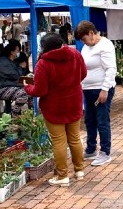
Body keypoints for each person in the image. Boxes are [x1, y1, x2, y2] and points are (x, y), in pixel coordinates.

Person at [24, 33, 87, 186]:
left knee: (59, 141)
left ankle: (62, 176)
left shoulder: (43, 63)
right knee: (74, 138)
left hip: (54, 106)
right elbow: (83, 74)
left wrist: (27, 87)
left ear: (44, 47)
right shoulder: (75, 54)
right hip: (73, 102)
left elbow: (40, 90)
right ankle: (79, 170)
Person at [75, 21, 117, 167]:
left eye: (84, 38)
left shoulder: (105, 45)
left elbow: (111, 69)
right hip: (88, 89)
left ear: (91, 33)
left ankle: (105, 151)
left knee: (102, 120)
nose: (83, 42)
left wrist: (105, 89)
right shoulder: (86, 47)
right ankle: (91, 148)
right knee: (89, 120)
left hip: (101, 89)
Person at [0, 40, 29, 116]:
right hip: (2, 89)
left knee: (31, 92)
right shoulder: (3, 62)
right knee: (23, 94)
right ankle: (14, 115)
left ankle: (31, 115)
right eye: (18, 50)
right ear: (12, 52)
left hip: (12, 86)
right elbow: (15, 75)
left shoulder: (13, 62)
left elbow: (20, 75)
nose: (18, 52)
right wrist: (20, 67)